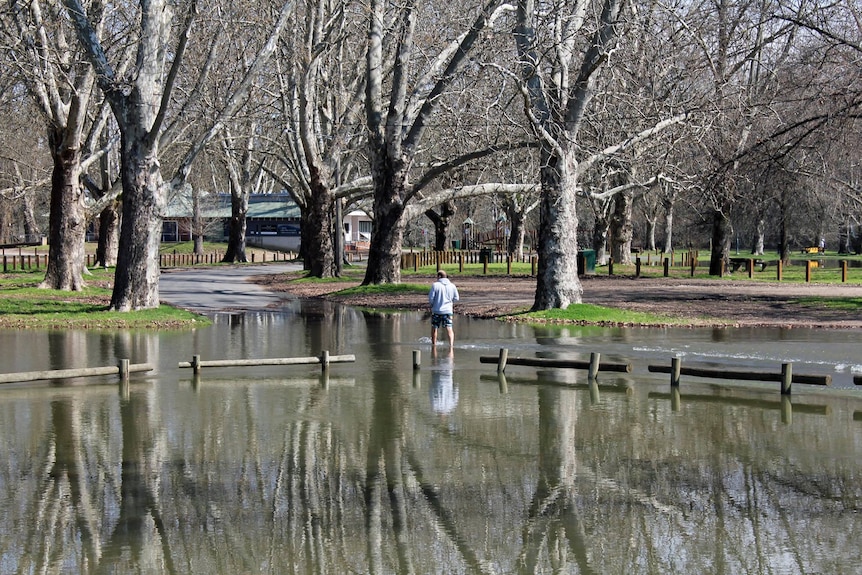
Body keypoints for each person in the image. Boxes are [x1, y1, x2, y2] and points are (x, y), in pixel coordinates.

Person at [428, 270, 459, 347]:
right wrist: (450, 302)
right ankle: (451, 345)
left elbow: (431, 298)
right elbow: (456, 298)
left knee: (434, 327)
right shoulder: (452, 285)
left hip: (437, 310)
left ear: (439, 276)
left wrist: (432, 305)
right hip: (448, 311)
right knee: (449, 327)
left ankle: (434, 344)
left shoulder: (435, 285)